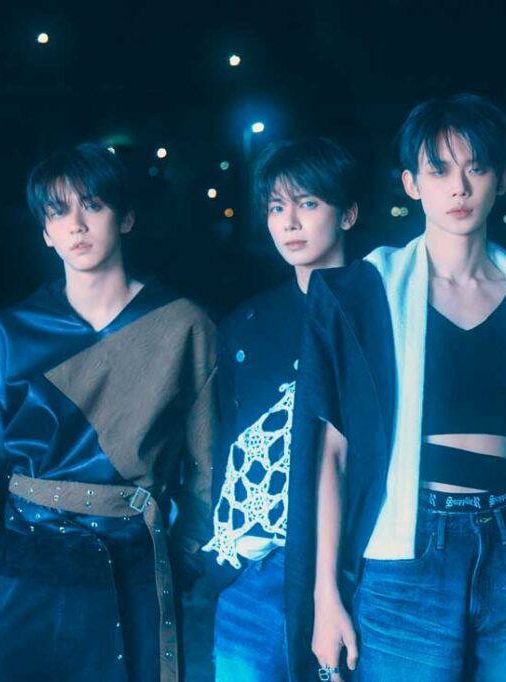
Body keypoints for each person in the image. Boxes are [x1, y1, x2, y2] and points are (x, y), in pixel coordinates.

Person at [284, 93, 506, 681]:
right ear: (412, 184)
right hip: (407, 549)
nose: (459, 187)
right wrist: (325, 595)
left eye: (476, 168)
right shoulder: (360, 294)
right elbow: (330, 456)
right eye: (439, 170)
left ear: (502, 178)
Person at [0, 143, 218, 681]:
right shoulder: (5, 337)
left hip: (134, 567)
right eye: (58, 212)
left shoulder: (184, 326)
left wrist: (181, 561)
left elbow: (206, 468)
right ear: (46, 233)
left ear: (127, 217)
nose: (76, 225)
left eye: (92, 205)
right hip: (28, 568)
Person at [202, 137, 359, 681]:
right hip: (255, 570)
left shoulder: (381, 315)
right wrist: (224, 565)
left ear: (348, 214)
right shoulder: (246, 323)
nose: (289, 222)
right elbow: (224, 441)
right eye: (276, 207)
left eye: (308, 203)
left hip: (355, 571)